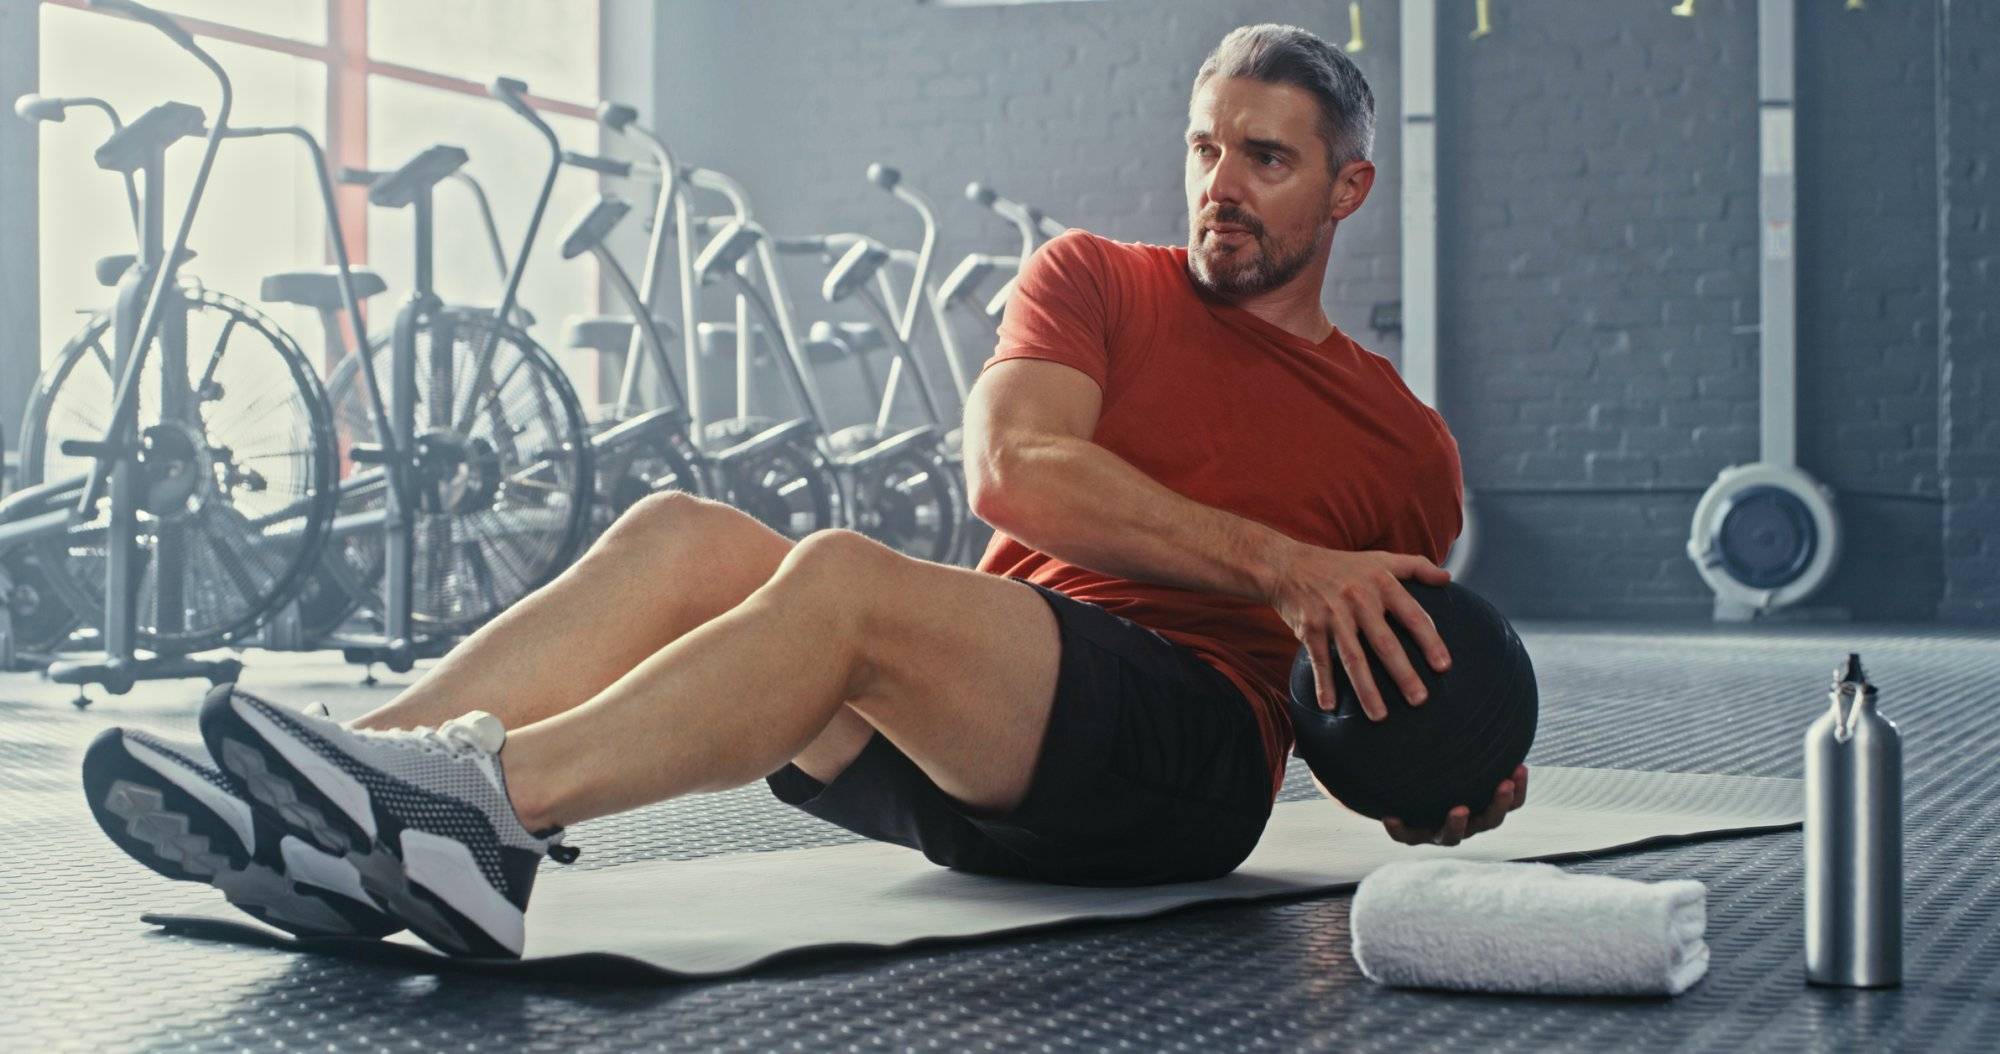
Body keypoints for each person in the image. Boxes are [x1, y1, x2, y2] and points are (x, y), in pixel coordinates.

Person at [85, 23, 1526, 959]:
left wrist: (1448, 780)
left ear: (1346, 190)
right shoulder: (1095, 279)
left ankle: (483, 817)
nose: (1222, 183)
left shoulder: (1404, 452)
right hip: (979, 746)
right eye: (1207, 146)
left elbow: (1391, 695)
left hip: (1186, 764)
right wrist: (1280, 559)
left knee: (839, 575)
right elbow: (1016, 470)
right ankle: (351, 792)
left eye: (1266, 160)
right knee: (682, 535)